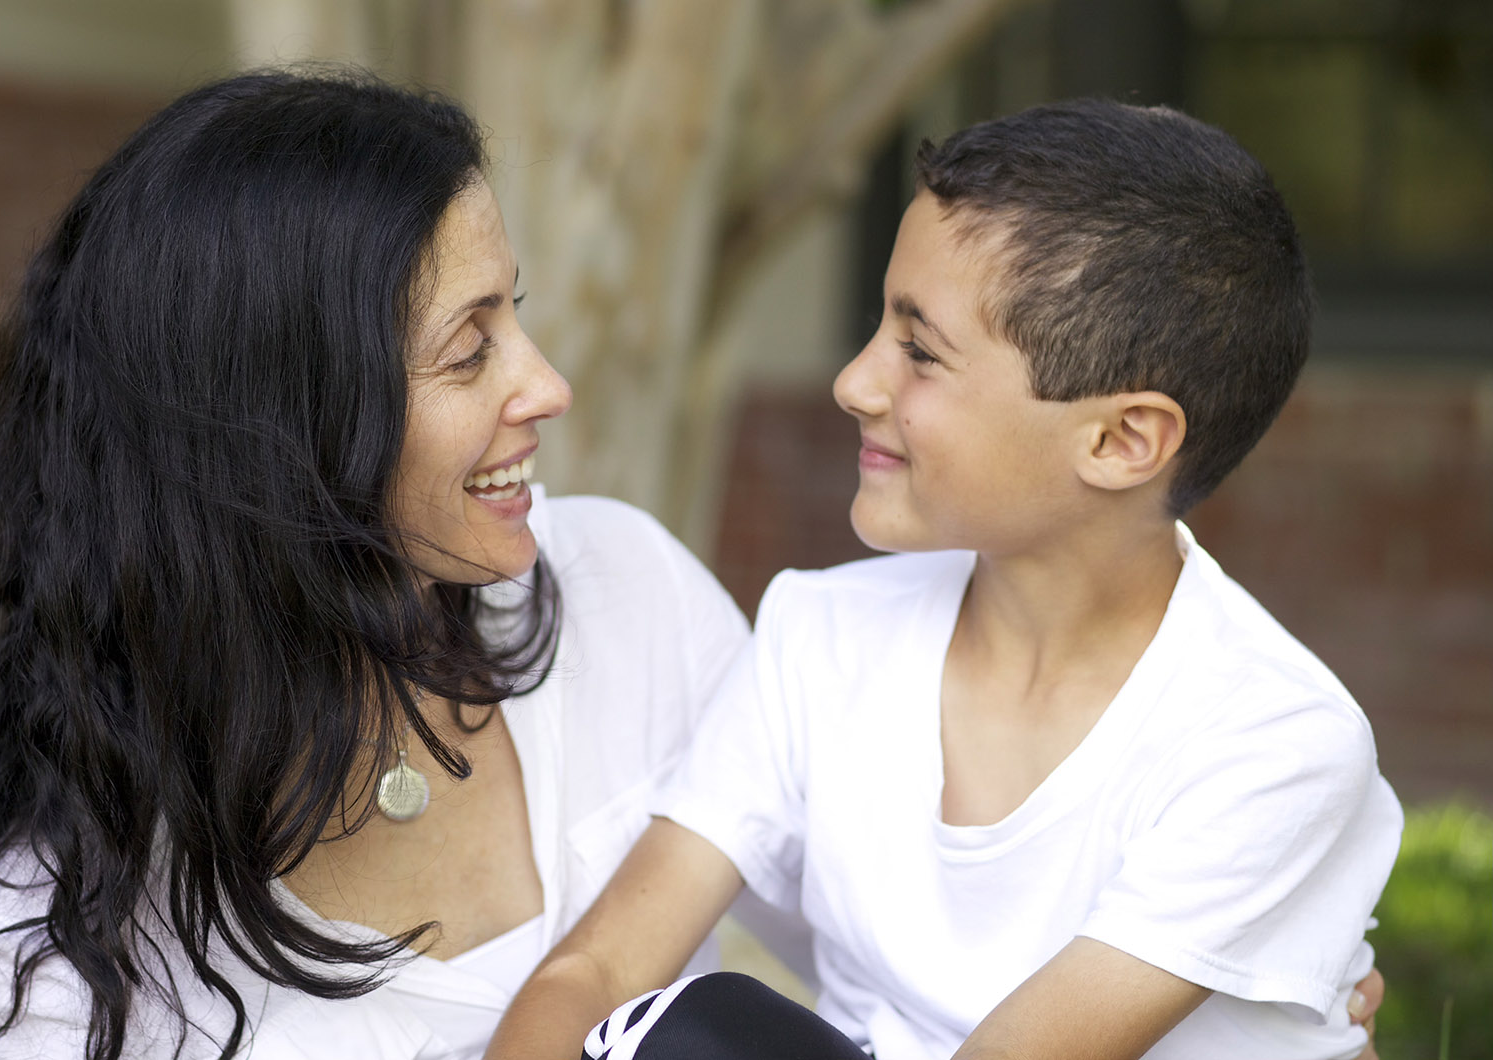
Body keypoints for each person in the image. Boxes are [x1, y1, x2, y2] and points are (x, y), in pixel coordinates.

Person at [487, 99, 1404, 1060]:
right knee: (682, 1029)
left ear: (1122, 440)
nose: (857, 382)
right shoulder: (821, 636)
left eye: (920, 352)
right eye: (880, 325)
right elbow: (592, 973)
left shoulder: (1274, 738)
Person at [0, 71, 757, 1060]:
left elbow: (901, 928)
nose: (547, 385)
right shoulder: (37, 966)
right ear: (287, 427)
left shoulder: (626, 588)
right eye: (469, 350)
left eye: (511, 315)